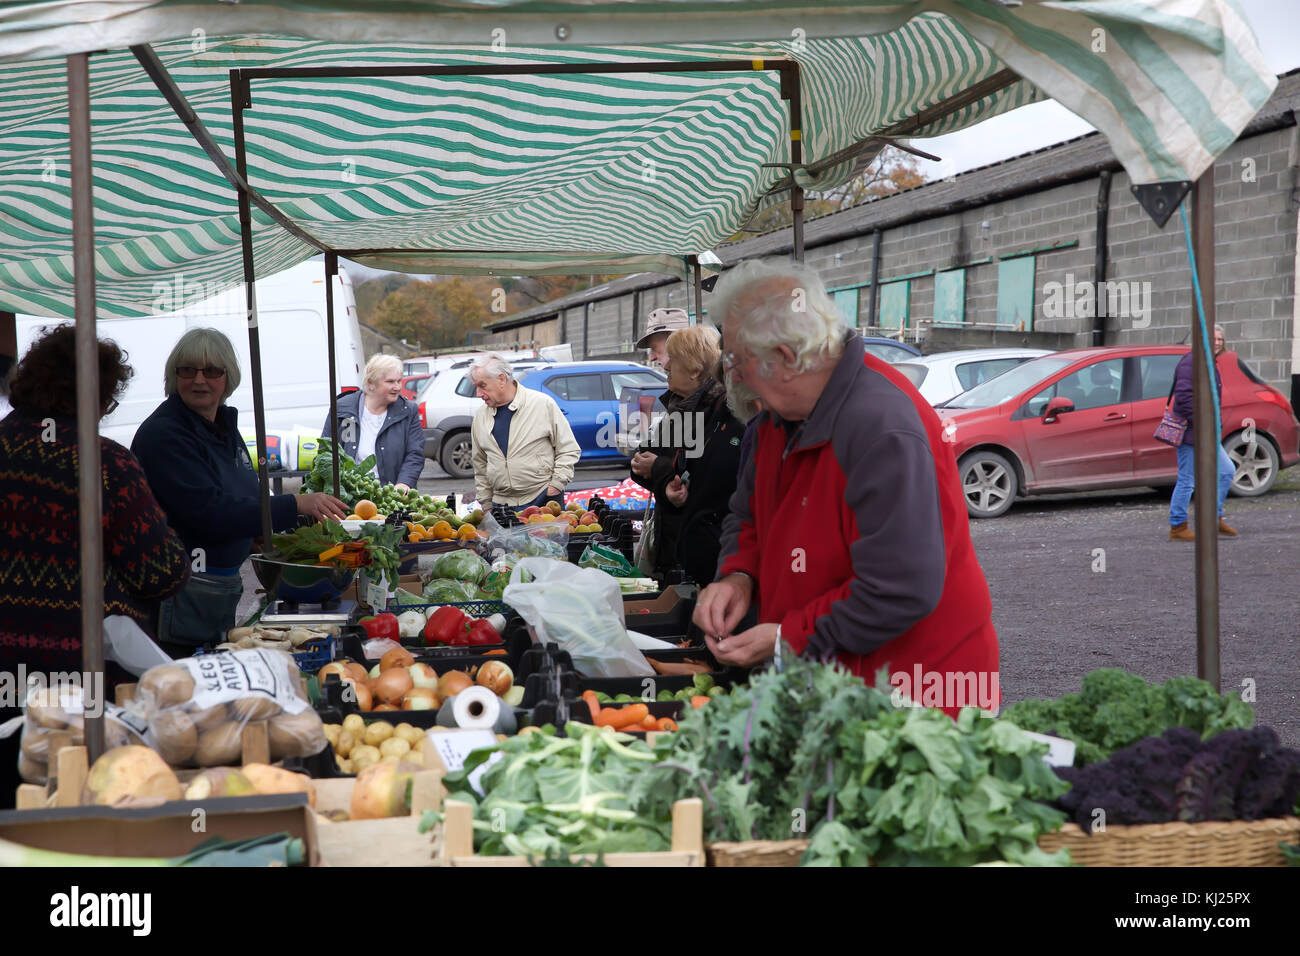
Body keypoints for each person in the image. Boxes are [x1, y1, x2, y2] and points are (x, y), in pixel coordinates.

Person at [692, 259, 999, 719]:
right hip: (824, 682)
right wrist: (738, 574)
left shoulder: (883, 428)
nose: (731, 375)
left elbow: (899, 588)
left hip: (912, 696)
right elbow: (748, 515)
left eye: (736, 360)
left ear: (787, 358)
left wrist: (786, 639)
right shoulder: (774, 418)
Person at [133, 328, 347, 655]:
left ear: (228, 377)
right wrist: (297, 503)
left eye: (212, 371)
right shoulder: (164, 435)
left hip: (216, 593)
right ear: (174, 376)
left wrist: (252, 535)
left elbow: (243, 497)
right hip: (179, 600)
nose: (199, 380)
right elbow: (210, 513)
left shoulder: (223, 428)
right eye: (188, 370)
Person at [648, 328, 741, 586]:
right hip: (691, 550)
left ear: (694, 370)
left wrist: (659, 469)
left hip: (720, 559)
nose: (665, 365)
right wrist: (667, 485)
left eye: (672, 359)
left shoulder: (727, 414)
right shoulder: (684, 408)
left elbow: (718, 483)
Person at [469, 353, 581, 512]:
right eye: (476, 387)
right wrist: (486, 504)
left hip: (544, 500)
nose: (479, 394)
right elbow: (480, 465)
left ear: (501, 379)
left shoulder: (542, 404)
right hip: (501, 506)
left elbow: (568, 449)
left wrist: (555, 486)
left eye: (482, 385)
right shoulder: (480, 417)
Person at [1168, 325, 1236, 540]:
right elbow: (1184, 398)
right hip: (1192, 432)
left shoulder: (1209, 363)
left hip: (1207, 433)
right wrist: (1203, 424)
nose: (1217, 342)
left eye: (1220, 339)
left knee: (1226, 471)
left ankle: (1213, 518)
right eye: (1213, 338)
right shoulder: (1191, 363)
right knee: (1187, 479)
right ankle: (1177, 527)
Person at [322, 354, 425, 491]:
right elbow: (326, 451)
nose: (397, 387)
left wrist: (404, 483)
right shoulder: (342, 409)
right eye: (390, 382)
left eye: (399, 381)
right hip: (350, 494)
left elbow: (415, 454)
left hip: (393, 496)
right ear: (371, 383)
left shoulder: (408, 411)